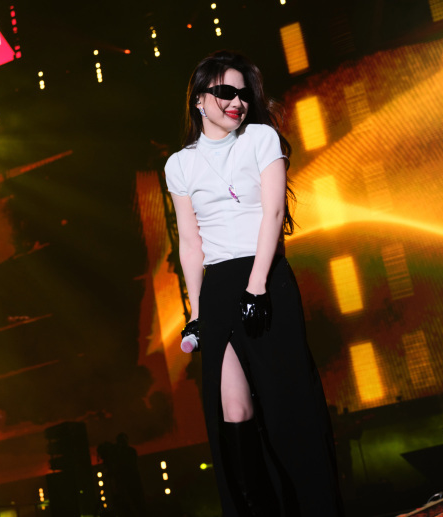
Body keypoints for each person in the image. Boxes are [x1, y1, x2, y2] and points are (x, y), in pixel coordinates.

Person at [165, 51, 344, 516]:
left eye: (243, 94)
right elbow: (190, 243)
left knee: (287, 409)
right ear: (199, 99)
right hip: (218, 289)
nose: (237, 102)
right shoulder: (179, 165)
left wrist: (258, 285)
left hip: (266, 278)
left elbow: (274, 212)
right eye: (226, 92)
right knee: (234, 412)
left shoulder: (262, 138)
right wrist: (197, 313)